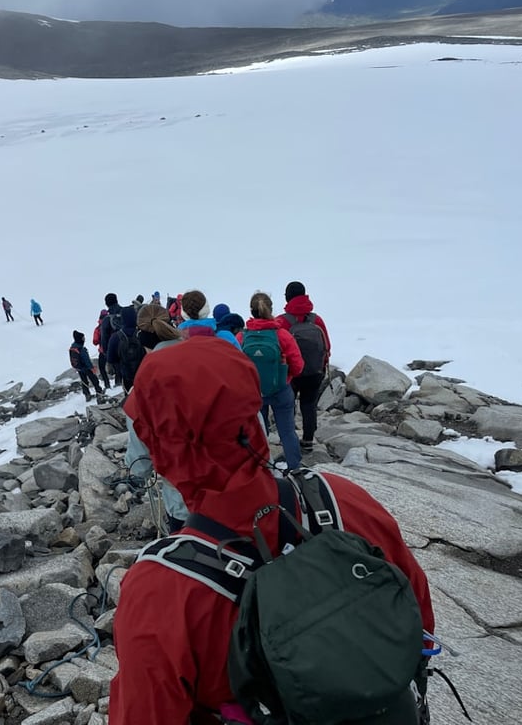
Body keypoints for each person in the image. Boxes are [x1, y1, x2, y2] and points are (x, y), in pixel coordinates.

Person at [110, 336, 435, 725]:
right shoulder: (342, 499)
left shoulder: (160, 592)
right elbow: (418, 617)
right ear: (252, 414)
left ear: (164, 450)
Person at [125, 304, 188, 533]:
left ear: (142, 342)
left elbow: (139, 463)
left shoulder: (141, 390)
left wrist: (135, 474)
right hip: (237, 484)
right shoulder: (211, 358)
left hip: (185, 502)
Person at [238, 292, 303, 470]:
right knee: (287, 432)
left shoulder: (242, 337)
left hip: (254, 392)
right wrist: (285, 376)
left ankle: (262, 469)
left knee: (259, 431)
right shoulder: (282, 335)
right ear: (271, 309)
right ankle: (295, 468)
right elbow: (298, 365)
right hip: (281, 390)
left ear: (252, 311)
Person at [277, 281, 332, 453]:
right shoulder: (317, 320)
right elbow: (327, 346)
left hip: (291, 372)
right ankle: (308, 440)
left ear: (287, 297)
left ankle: (289, 440)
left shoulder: (282, 321)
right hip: (314, 372)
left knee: (288, 405)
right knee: (309, 405)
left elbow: (277, 348)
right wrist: (322, 366)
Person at [107, 304, 145, 394]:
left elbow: (111, 359)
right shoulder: (142, 332)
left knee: (130, 400)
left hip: (127, 376)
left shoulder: (115, 337)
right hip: (144, 373)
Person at [70, 331, 104, 402]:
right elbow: (87, 360)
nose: (84, 339)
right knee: (94, 379)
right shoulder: (81, 349)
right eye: (83, 338)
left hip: (79, 368)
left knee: (84, 381)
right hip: (86, 368)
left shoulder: (73, 347)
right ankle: (99, 392)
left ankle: (87, 394)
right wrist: (92, 368)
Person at [92, 309, 112, 390]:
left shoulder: (98, 328)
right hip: (113, 348)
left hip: (103, 350)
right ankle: (119, 381)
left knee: (102, 368)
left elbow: (95, 341)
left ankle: (107, 384)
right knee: (117, 366)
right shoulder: (113, 323)